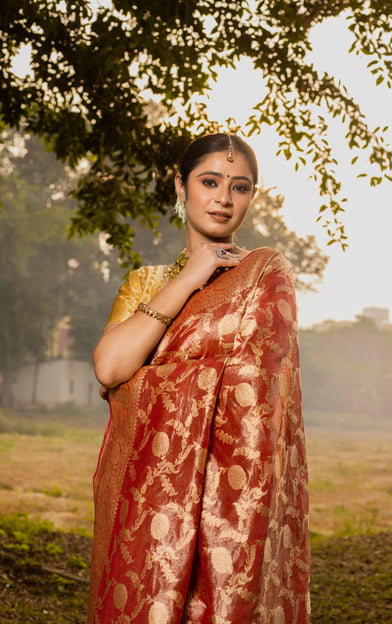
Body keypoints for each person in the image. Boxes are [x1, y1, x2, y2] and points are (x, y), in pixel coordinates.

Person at [88, 133, 310, 624]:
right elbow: (109, 367)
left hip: (230, 508)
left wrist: (157, 373)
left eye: (241, 187)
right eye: (209, 182)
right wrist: (191, 277)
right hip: (150, 498)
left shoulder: (264, 278)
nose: (224, 199)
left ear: (252, 197)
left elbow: (259, 401)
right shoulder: (146, 282)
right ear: (180, 186)